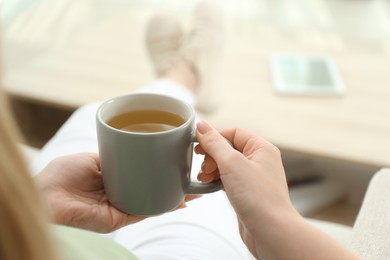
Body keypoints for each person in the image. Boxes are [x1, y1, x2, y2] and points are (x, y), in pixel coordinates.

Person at [0, 1, 361, 260]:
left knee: (91, 113)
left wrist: (39, 201)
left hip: (46, 238)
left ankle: (178, 74)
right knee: (97, 114)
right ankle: (187, 74)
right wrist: (276, 222)